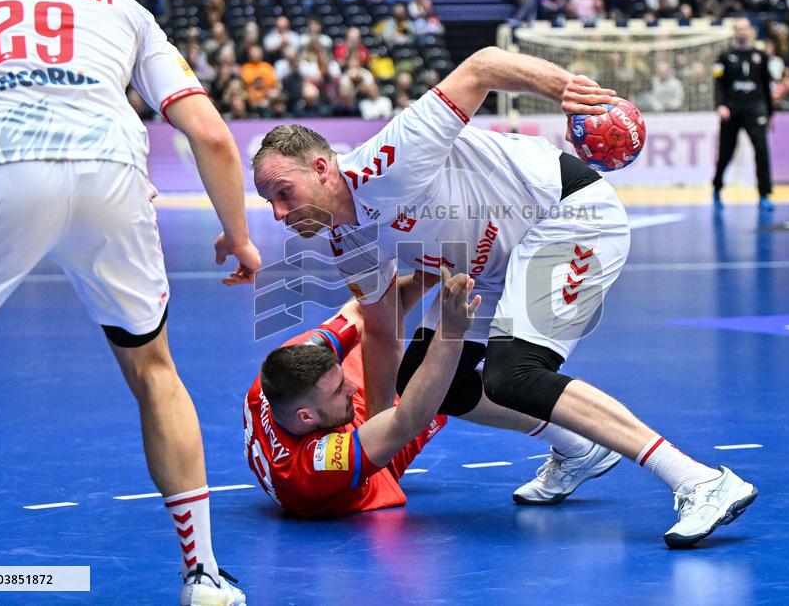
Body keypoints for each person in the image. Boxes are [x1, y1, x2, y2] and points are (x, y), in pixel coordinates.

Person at [246, 45, 759, 547]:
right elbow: (381, 332)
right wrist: (377, 442)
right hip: (488, 269)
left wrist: (565, 89)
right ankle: (578, 449)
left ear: (321, 168)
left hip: (568, 214)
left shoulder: (389, 158)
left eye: (284, 193)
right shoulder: (345, 240)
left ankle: (698, 480)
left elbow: (482, 66)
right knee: (429, 378)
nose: (279, 213)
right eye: (269, 202)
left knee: (515, 373)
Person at [0, 0, 260, 604]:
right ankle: (203, 575)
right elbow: (212, 135)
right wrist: (240, 236)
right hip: (112, 174)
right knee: (154, 370)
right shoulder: (123, 7)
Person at [245, 271, 623, 515]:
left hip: (337, 423)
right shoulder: (315, 467)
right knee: (447, 389)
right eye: (339, 389)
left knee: (379, 329)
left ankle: (490, 279)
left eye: (342, 377)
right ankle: (578, 445)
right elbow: (408, 418)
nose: (353, 386)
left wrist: (427, 270)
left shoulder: (281, 374)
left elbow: (362, 313)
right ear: (306, 417)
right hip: (370, 461)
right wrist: (451, 332)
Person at [712, 18, 775, 211]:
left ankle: (764, 195)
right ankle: (717, 188)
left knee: (762, 151)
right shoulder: (724, 56)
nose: (742, 32)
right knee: (726, 152)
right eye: (738, 29)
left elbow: (766, 86)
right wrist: (720, 105)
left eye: (745, 29)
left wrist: (770, 113)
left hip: (755, 109)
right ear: (734, 32)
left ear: (751, 31)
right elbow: (718, 84)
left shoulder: (760, 56)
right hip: (731, 110)